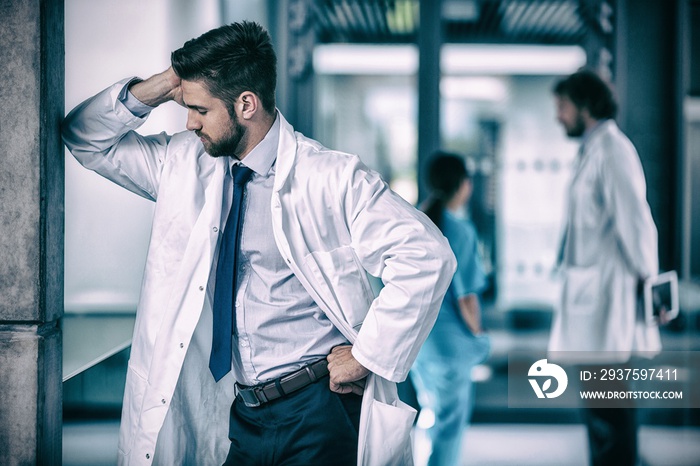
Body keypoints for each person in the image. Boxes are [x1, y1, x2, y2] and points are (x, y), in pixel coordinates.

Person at [62, 21, 456, 466]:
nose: (189, 122)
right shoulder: (184, 164)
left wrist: (368, 355)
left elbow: (426, 255)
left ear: (246, 103)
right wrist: (168, 81)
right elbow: (84, 137)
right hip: (244, 412)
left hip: (317, 408)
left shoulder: (332, 177)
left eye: (200, 109)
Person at [549, 69, 660, 466]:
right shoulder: (594, 149)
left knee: (609, 411)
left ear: (585, 104)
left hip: (606, 306)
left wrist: (654, 289)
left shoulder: (613, 150)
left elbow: (636, 223)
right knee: (601, 409)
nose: (558, 116)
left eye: (562, 106)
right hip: (592, 305)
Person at [409, 152, 491, 466]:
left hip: (420, 344)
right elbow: (467, 299)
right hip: (451, 346)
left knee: (430, 416)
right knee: (448, 427)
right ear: (464, 186)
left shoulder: (415, 223)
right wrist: (480, 336)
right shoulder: (461, 231)